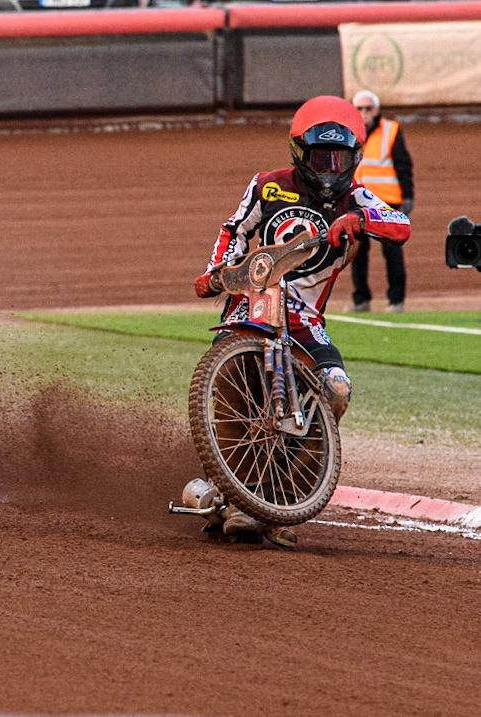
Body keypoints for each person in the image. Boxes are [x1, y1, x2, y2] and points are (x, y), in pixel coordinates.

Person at [187, 94, 410, 548]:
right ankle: (234, 492)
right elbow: (235, 229)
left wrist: (359, 217)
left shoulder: (357, 196)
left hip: (306, 319)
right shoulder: (267, 186)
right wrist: (218, 271)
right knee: (231, 384)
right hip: (250, 309)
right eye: (319, 158)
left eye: (340, 158)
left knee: (336, 390)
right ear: (298, 152)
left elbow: (400, 224)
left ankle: (282, 495)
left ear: (355, 158)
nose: (329, 168)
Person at [348, 89, 414, 313]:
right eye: (359, 109)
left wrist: (407, 196)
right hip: (357, 201)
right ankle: (361, 300)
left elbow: (403, 164)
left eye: (369, 108)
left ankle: (396, 301)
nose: (364, 113)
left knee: (392, 252)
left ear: (376, 110)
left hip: (387, 201)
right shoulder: (348, 131)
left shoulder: (391, 130)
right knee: (356, 253)